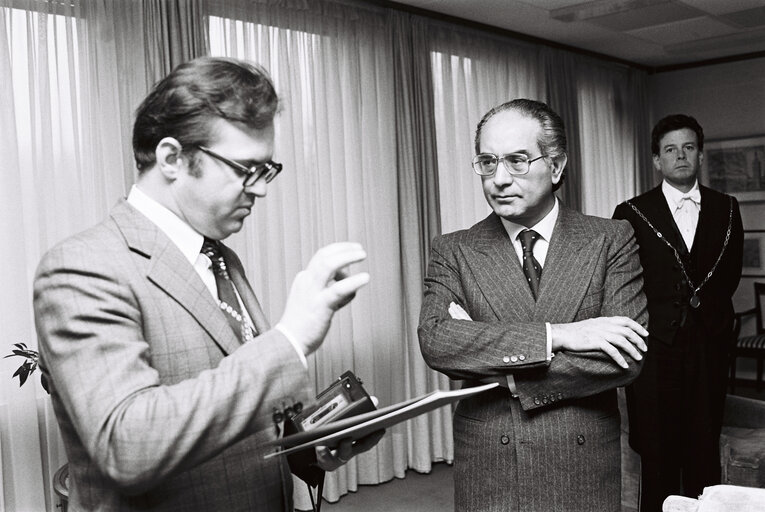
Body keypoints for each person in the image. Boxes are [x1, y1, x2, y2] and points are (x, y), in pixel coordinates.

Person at [33, 57, 378, 511]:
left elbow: (240, 418)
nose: (262, 190)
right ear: (173, 158)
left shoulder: (221, 256)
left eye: (267, 169)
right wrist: (290, 339)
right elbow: (127, 445)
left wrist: (312, 444)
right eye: (246, 169)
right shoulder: (81, 266)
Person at [418, 98, 649, 512]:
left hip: (580, 460)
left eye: (517, 161)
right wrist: (558, 335)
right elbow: (438, 341)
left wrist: (504, 374)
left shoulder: (611, 239)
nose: (499, 178)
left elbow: (625, 358)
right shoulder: (453, 249)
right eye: (487, 162)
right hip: (491, 463)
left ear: (556, 166)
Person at [613, 114, 743, 511]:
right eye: (670, 149)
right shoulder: (632, 212)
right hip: (655, 351)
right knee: (657, 450)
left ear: (700, 155)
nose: (680, 156)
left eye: (688, 147)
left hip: (709, 347)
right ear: (657, 161)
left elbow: (730, 275)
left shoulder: (727, 208)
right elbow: (623, 282)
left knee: (703, 445)